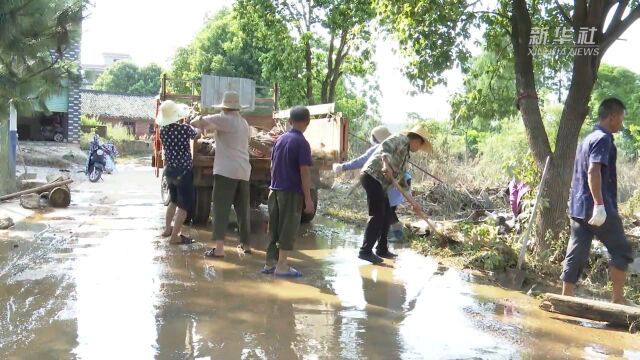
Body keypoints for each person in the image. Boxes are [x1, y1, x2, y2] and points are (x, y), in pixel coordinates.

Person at [561, 97, 633, 304]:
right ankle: (618, 300)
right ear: (612, 117)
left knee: (578, 249)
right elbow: (593, 170)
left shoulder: (587, 139)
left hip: (579, 207)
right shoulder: (603, 139)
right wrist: (600, 205)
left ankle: (566, 297)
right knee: (621, 250)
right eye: (621, 118)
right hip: (597, 207)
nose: (621, 122)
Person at [190, 91, 252, 257]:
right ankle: (246, 245)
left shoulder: (223, 119)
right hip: (244, 170)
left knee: (220, 209)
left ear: (225, 107)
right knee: (243, 210)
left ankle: (219, 249)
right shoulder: (244, 123)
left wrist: (201, 119)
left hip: (226, 171)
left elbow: (195, 122)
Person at [358, 126, 432, 264]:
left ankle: (381, 249)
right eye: (420, 145)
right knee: (378, 214)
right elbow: (385, 146)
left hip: (382, 184)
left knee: (387, 214)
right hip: (372, 176)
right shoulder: (401, 139)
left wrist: (414, 203)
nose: (419, 149)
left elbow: (403, 183)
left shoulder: (405, 155)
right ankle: (365, 251)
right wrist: (386, 164)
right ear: (417, 140)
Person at [261, 106, 315, 277]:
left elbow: (272, 165)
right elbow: (304, 172)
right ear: (307, 122)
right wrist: (308, 198)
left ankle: (270, 263)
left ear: (290, 121)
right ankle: (282, 266)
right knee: (288, 227)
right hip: (291, 192)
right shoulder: (302, 143)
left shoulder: (280, 139)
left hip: (274, 190)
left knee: (274, 227)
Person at [332, 126, 411, 241]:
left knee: (385, 211)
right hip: (401, 181)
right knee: (388, 210)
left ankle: (391, 237)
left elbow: (362, 160)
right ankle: (387, 239)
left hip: (394, 182)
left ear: (376, 138)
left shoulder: (381, 147)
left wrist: (342, 167)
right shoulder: (396, 145)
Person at [157, 100, 198, 245]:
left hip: (170, 171)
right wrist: (190, 122)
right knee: (184, 206)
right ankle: (175, 237)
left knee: (173, 201)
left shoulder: (163, 131)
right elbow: (196, 134)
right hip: (183, 172)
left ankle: (168, 229)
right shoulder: (185, 129)